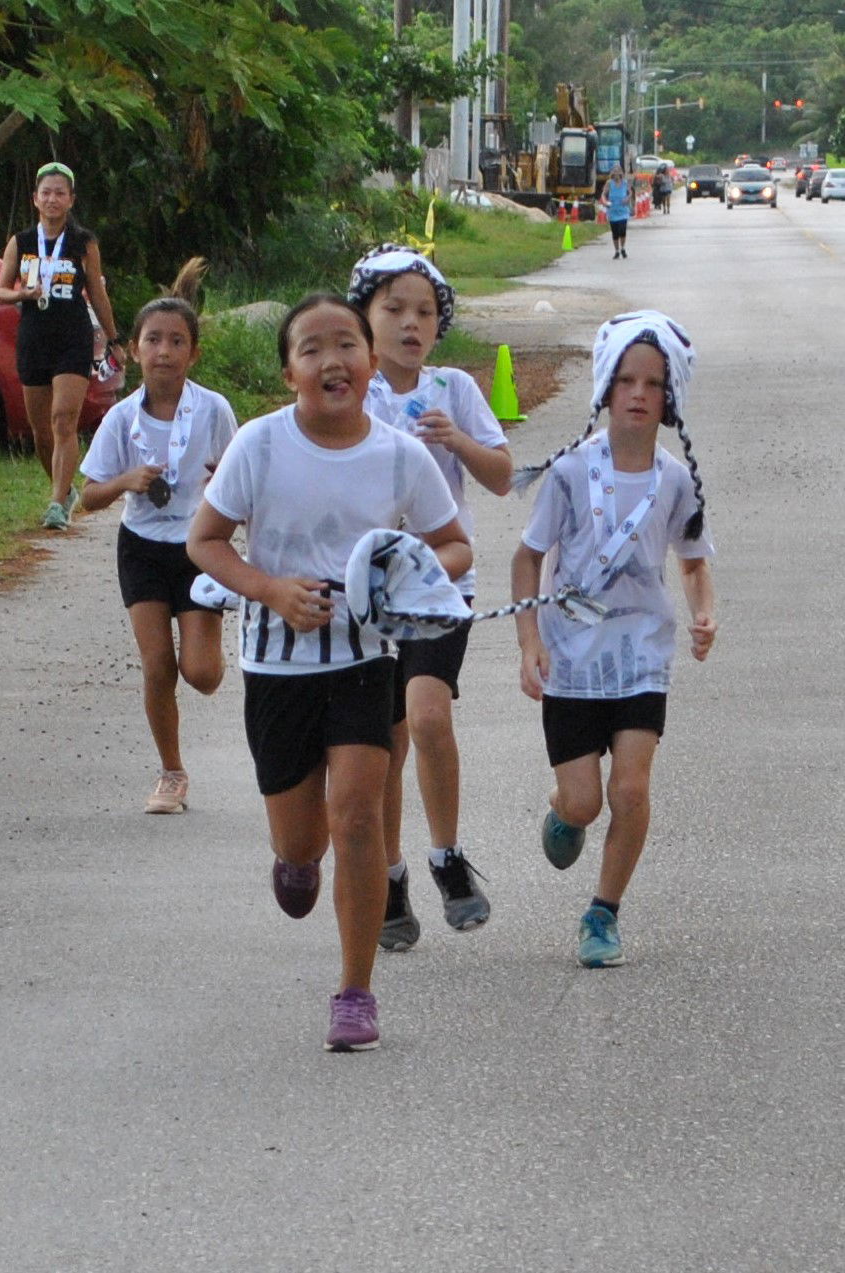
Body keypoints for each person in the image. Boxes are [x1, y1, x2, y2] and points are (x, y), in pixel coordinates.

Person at [187, 293, 471, 1052]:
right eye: (310, 349)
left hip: (363, 663)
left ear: (371, 363)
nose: (331, 360)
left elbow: (454, 545)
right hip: (276, 670)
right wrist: (270, 590)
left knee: (358, 815)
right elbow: (205, 541)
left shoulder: (400, 456)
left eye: (346, 344)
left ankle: (355, 992)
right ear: (289, 373)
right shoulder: (259, 445)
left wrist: (400, 582)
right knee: (302, 841)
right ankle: (294, 859)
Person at [511, 310, 716, 969]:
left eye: (652, 383)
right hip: (572, 660)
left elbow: (692, 560)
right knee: (585, 800)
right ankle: (563, 812)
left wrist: (703, 613)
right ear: (605, 388)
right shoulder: (570, 472)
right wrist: (528, 642)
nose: (637, 394)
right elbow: (527, 557)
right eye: (625, 380)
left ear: (669, 395)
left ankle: (602, 912)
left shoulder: (676, 480)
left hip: (640, 657)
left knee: (629, 790)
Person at [347, 245, 513, 951]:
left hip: (442, 581)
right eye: (394, 309)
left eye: (425, 312)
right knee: (383, 740)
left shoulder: (454, 389)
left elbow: (502, 476)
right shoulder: (347, 388)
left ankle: (447, 857)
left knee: (426, 715)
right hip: (365, 592)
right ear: (364, 315)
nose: (411, 324)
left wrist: (458, 442)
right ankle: (389, 878)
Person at [78, 261, 236, 814]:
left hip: (199, 547)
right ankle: (171, 773)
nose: (163, 351)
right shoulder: (121, 419)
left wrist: (224, 489)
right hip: (141, 547)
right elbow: (87, 497)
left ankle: (210, 642)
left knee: (202, 675)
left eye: (176, 341)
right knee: (157, 665)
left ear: (194, 354)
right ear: (133, 350)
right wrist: (125, 480)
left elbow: (239, 478)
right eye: (152, 340)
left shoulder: (214, 410)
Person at [0, 161, 124, 530]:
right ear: (35, 199)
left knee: (63, 419)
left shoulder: (83, 242)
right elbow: (1, 290)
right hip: (34, 337)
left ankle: (55, 504)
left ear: (71, 200)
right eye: (46, 193)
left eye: (60, 193)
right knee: (41, 431)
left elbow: (97, 292)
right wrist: (23, 294)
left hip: (72, 337)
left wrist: (114, 339)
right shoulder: (21, 242)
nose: (53, 199)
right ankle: (64, 489)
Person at [599, 164, 632, 259]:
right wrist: (605, 201)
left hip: (623, 210)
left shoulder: (625, 183)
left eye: (618, 171)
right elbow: (603, 194)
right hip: (613, 210)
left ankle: (623, 248)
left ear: (621, 173)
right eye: (614, 171)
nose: (616, 173)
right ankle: (617, 251)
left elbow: (630, 192)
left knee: (622, 230)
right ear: (612, 173)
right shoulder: (609, 183)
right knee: (615, 232)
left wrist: (627, 198)